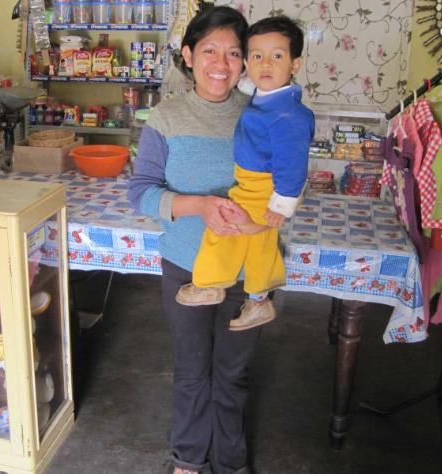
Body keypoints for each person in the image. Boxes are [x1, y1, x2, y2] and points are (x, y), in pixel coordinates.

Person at [129, 6, 267, 474]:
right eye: (209, 50)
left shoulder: (259, 117)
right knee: (192, 370)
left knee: (232, 373)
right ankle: (188, 460)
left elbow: (284, 187)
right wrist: (201, 206)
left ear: (244, 61)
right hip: (185, 265)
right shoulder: (165, 117)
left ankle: (230, 462)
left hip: (246, 270)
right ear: (188, 56)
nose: (221, 64)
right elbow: (141, 192)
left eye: (233, 53)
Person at [175, 15, 315, 332]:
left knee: (224, 226)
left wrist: (281, 205)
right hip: (253, 181)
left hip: (261, 186)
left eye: (277, 56)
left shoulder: (288, 114)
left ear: (295, 64)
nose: (265, 64)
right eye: (256, 56)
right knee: (259, 243)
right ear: (248, 64)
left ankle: (209, 284)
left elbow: (293, 163)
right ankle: (259, 301)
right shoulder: (269, 97)